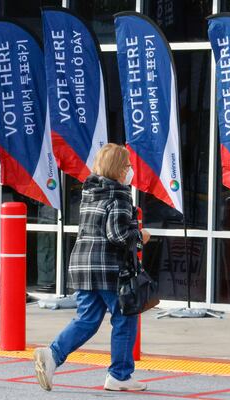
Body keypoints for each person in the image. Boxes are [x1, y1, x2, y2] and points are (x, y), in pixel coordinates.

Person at [33, 143, 151, 392]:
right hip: (108, 269)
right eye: (128, 165)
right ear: (119, 169)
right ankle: (119, 375)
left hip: (83, 266)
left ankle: (52, 356)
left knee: (87, 319)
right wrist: (141, 236)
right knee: (126, 317)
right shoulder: (119, 195)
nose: (130, 170)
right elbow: (117, 235)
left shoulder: (91, 192)